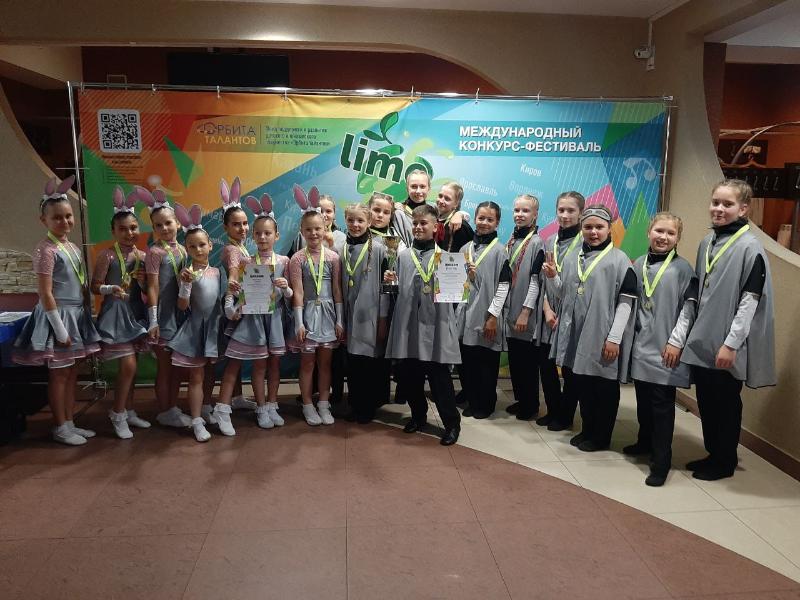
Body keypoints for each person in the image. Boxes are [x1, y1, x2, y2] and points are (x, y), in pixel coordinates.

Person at [681, 179, 775, 481]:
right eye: (715, 202)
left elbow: (750, 301)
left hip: (727, 343)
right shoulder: (708, 242)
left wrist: (731, 344)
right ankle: (713, 453)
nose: (719, 209)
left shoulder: (750, 247)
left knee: (725, 404)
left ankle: (724, 461)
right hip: (704, 339)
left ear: (743, 209)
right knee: (708, 402)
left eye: (727, 204)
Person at [13, 175, 101, 445]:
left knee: (72, 373)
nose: (64, 221)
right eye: (57, 218)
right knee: (60, 374)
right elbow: (45, 292)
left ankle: (70, 422)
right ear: (44, 220)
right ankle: (60, 426)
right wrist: (60, 330)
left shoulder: (71, 247)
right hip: (58, 316)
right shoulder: (46, 250)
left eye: (68, 216)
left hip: (75, 314)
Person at [544, 204, 636, 452]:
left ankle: (601, 437)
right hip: (577, 334)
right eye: (588, 227)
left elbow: (626, 303)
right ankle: (587, 429)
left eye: (599, 227)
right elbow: (563, 293)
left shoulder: (620, 260)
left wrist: (614, 338)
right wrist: (552, 277)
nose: (593, 232)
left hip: (602, 334)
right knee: (583, 384)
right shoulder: (573, 257)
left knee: (603, 388)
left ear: (609, 229)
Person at [624, 212, 698, 486]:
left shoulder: (683, 270)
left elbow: (688, 309)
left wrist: (676, 341)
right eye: (659, 231)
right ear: (649, 232)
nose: (663, 237)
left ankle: (661, 462)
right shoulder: (638, 264)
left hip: (666, 349)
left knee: (661, 407)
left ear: (678, 238)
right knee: (643, 401)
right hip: (641, 346)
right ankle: (644, 442)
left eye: (670, 233)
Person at [385, 203, 461, 446]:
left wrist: (465, 279)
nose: (418, 227)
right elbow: (395, 292)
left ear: (435, 226)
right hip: (409, 326)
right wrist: (390, 282)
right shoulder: (402, 256)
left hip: (436, 326)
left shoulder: (447, 258)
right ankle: (418, 415)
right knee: (410, 376)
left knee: (440, 379)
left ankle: (452, 423)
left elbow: (456, 298)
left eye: (423, 223)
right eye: (415, 224)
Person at [216, 194, 291, 432]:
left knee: (271, 363)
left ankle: (270, 405)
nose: (262, 237)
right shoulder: (244, 259)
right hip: (252, 319)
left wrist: (285, 288)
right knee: (251, 364)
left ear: (276, 235)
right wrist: (233, 304)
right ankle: (256, 408)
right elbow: (236, 287)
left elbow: (291, 293)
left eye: (267, 233)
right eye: (258, 233)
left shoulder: (283, 260)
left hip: (274, 318)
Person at [90, 186, 150, 439]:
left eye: (133, 228)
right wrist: (109, 289)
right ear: (113, 231)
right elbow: (94, 286)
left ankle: (129, 409)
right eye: (123, 229)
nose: (129, 233)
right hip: (115, 314)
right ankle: (117, 413)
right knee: (128, 365)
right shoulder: (107, 255)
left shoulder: (142, 256)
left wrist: (143, 282)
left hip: (135, 312)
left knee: (133, 368)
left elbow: (147, 290)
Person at [528, 191, 585, 431]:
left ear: (581, 213)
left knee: (569, 370)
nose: (565, 215)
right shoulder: (548, 241)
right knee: (546, 366)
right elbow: (541, 281)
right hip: (548, 313)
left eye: (571, 210)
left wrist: (565, 312)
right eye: (561, 210)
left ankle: (565, 415)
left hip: (571, 314)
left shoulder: (586, 243)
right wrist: (547, 310)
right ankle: (552, 410)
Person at [167, 204, 224, 442]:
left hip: (214, 327)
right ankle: (196, 420)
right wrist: (186, 285)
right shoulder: (187, 273)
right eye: (192, 246)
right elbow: (182, 306)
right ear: (186, 248)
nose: (198, 249)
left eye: (202, 244)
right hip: (196, 328)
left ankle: (206, 407)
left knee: (210, 372)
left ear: (211, 245)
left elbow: (222, 300)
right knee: (196, 376)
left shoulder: (218, 272)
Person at [138, 186, 193, 429]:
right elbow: (152, 287)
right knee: (165, 366)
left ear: (178, 223)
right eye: (158, 225)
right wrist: (153, 320)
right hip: (163, 315)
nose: (164, 228)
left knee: (176, 366)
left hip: (180, 313)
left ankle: (172, 406)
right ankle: (164, 410)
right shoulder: (154, 252)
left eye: (168, 223)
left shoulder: (182, 249)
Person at [288, 189, 344, 426]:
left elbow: (337, 290)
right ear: (302, 231)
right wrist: (299, 322)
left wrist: (340, 320)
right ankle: (308, 405)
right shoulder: (297, 259)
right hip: (308, 315)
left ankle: (323, 403)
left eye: (317, 228)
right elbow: (298, 293)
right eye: (308, 229)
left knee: (326, 364)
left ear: (325, 228)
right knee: (308, 363)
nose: (313, 233)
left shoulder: (333, 257)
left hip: (329, 315)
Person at [458, 201, 511, 419]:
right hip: (466, 315)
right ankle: (472, 400)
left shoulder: (500, 252)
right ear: (475, 219)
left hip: (487, 315)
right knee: (468, 362)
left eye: (490, 219)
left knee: (486, 363)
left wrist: (493, 317)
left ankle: (486, 403)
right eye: (481, 218)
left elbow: (504, 286)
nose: (484, 223)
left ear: (497, 222)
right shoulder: (464, 250)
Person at [340, 202, 389, 423]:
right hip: (349, 316)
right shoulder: (341, 249)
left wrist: (383, 319)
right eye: (351, 220)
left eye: (360, 220)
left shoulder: (379, 250)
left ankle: (368, 407)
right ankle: (355, 404)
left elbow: (387, 288)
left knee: (369, 363)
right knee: (353, 364)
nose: (355, 224)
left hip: (371, 317)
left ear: (369, 222)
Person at [217, 176, 258, 418]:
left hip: (242, 305)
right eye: (236, 224)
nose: (242, 228)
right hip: (235, 309)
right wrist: (230, 307)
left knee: (237, 357)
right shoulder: (232, 249)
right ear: (226, 228)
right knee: (233, 358)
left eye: (244, 223)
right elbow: (233, 278)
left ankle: (237, 397)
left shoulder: (241, 247)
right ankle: (222, 409)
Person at [503, 194, 545, 421]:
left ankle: (530, 405)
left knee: (527, 363)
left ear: (535, 215)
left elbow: (536, 281)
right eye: (517, 210)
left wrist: (526, 312)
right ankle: (521, 400)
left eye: (525, 211)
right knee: (516, 361)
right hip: (511, 310)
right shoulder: (512, 239)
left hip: (524, 313)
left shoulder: (537, 243)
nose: (520, 214)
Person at [391, 169, 466, 247]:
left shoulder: (434, 208)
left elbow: (450, 214)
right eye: (413, 186)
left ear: (429, 189)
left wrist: (459, 214)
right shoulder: (397, 212)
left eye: (422, 186)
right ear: (407, 188)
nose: (418, 191)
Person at [434, 182, 473, 252]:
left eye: (447, 199)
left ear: (456, 204)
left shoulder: (460, 226)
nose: (441, 201)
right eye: (440, 196)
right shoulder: (433, 217)